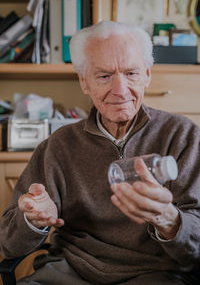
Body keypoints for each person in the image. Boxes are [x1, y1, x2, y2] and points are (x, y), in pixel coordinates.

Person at [0, 20, 200, 285]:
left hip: (154, 273)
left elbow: (196, 250)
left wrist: (167, 218)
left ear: (148, 75)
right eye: (104, 76)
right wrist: (32, 220)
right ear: (84, 82)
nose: (120, 90)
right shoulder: (58, 145)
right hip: (70, 271)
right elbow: (8, 245)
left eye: (131, 73)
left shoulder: (183, 136)